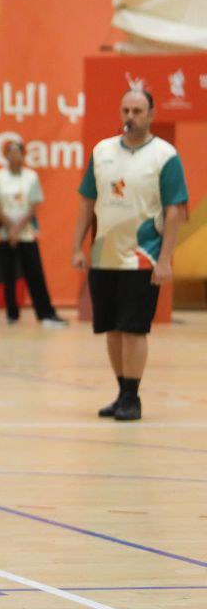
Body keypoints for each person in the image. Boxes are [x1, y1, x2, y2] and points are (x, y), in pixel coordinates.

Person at [71, 88, 188, 422]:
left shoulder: (165, 156)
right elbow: (87, 202)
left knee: (134, 329)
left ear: (151, 114)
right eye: (126, 110)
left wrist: (165, 259)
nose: (130, 117)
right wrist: (77, 246)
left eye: (137, 111)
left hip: (142, 257)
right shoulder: (102, 151)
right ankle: (122, 390)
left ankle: (132, 397)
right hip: (104, 255)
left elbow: (175, 211)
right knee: (112, 328)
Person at [0, 141, 65, 327]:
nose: (15, 156)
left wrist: (17, 229)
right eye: (11, 152)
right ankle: (12, 314)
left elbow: (33, 208)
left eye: (18, 152)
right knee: (8, 275)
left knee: (35, 273)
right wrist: (10, 229)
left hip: (26, 233)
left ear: (23, 155)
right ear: (6, 156)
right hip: (5, 234)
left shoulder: (31, 177)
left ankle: (45, 313)